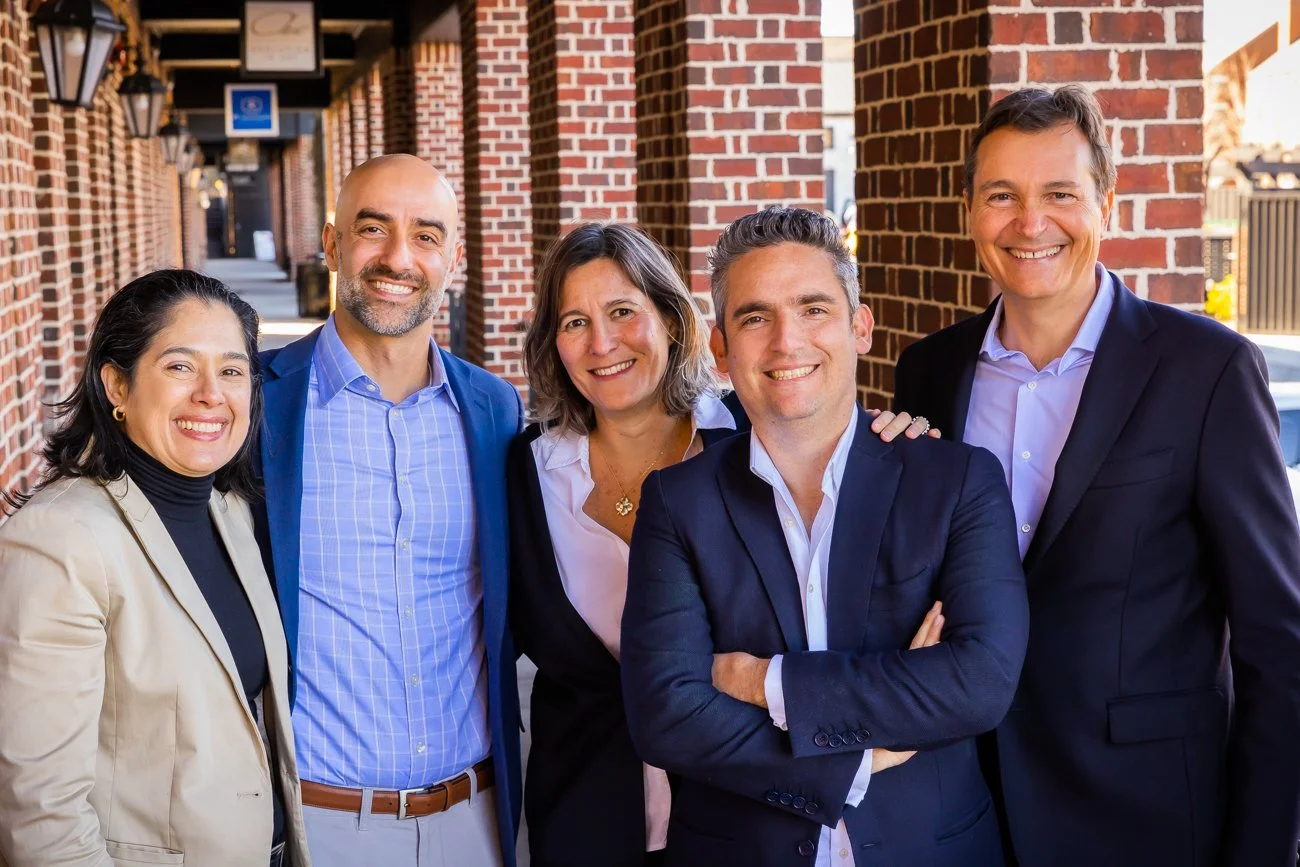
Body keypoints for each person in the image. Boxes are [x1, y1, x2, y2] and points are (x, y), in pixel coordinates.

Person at [892, 85, 1300, 867]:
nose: (1030, 223)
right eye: (1002, 195)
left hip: (1145, 817)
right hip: (962, 812)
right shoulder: (928, 373)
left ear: (1106, 203)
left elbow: (1277, 645)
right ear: (970, 208)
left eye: (1059, 194)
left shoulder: (1206, 370)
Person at [620, 207, 1029, 866]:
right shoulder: (677, 502)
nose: (788, 342)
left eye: (813, 309)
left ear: (859, 326)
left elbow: (979, 681)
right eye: (756, 317)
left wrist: (766, 682)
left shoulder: (956, 481)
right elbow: (666, 714)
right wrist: (859, 758)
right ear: (721, 347)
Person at [254, 154, 523, 867]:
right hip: (318, 822)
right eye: (374, 229)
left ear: (454, 257)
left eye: (426, 235)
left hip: (476, 821)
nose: (399, 257)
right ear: (333, 243)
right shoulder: (257, 404)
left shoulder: (494, 409)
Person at [0, 270, 307, 867]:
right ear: (116, 384)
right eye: (180, 367)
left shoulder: (231, 511)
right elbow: (39, 813)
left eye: (232, 370)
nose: (211, 394)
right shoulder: (61, 539)